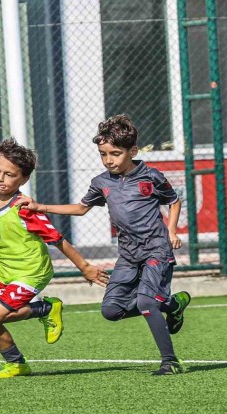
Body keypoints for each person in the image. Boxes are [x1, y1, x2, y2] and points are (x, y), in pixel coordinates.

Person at [18, 115, 192, 375]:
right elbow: (80, 208)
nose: (109, 160)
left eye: (115, 154)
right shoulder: (102, 182)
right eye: (103, 154)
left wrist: (171, 230)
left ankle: (170, 361)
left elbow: (173, 201)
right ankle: (171, 305)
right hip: (128, 254)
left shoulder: (151, 176)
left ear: (133, 151)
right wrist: (40, 206)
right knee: (111, 310)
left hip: (156, 249)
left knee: (145, 302)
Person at [0, 138, 108, 379]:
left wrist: (85, 267)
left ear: (23, 179)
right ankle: (17, 364)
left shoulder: (25, 208)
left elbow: (57, 239)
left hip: (32, 271)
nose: (0, 178)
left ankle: (46, 308)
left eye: (9, 175)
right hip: (6, 273)